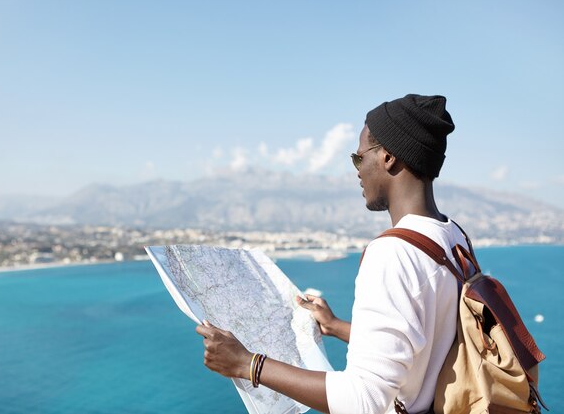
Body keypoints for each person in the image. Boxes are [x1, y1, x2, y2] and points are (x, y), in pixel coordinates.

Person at [196, 94, 471, 414]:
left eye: (358, 157)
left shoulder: (392, 253)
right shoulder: (453, 238)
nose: (357, 171)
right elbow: (420, 343)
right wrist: (335, 325)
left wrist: (247, 364)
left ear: (388, 157)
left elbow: (363, 400)